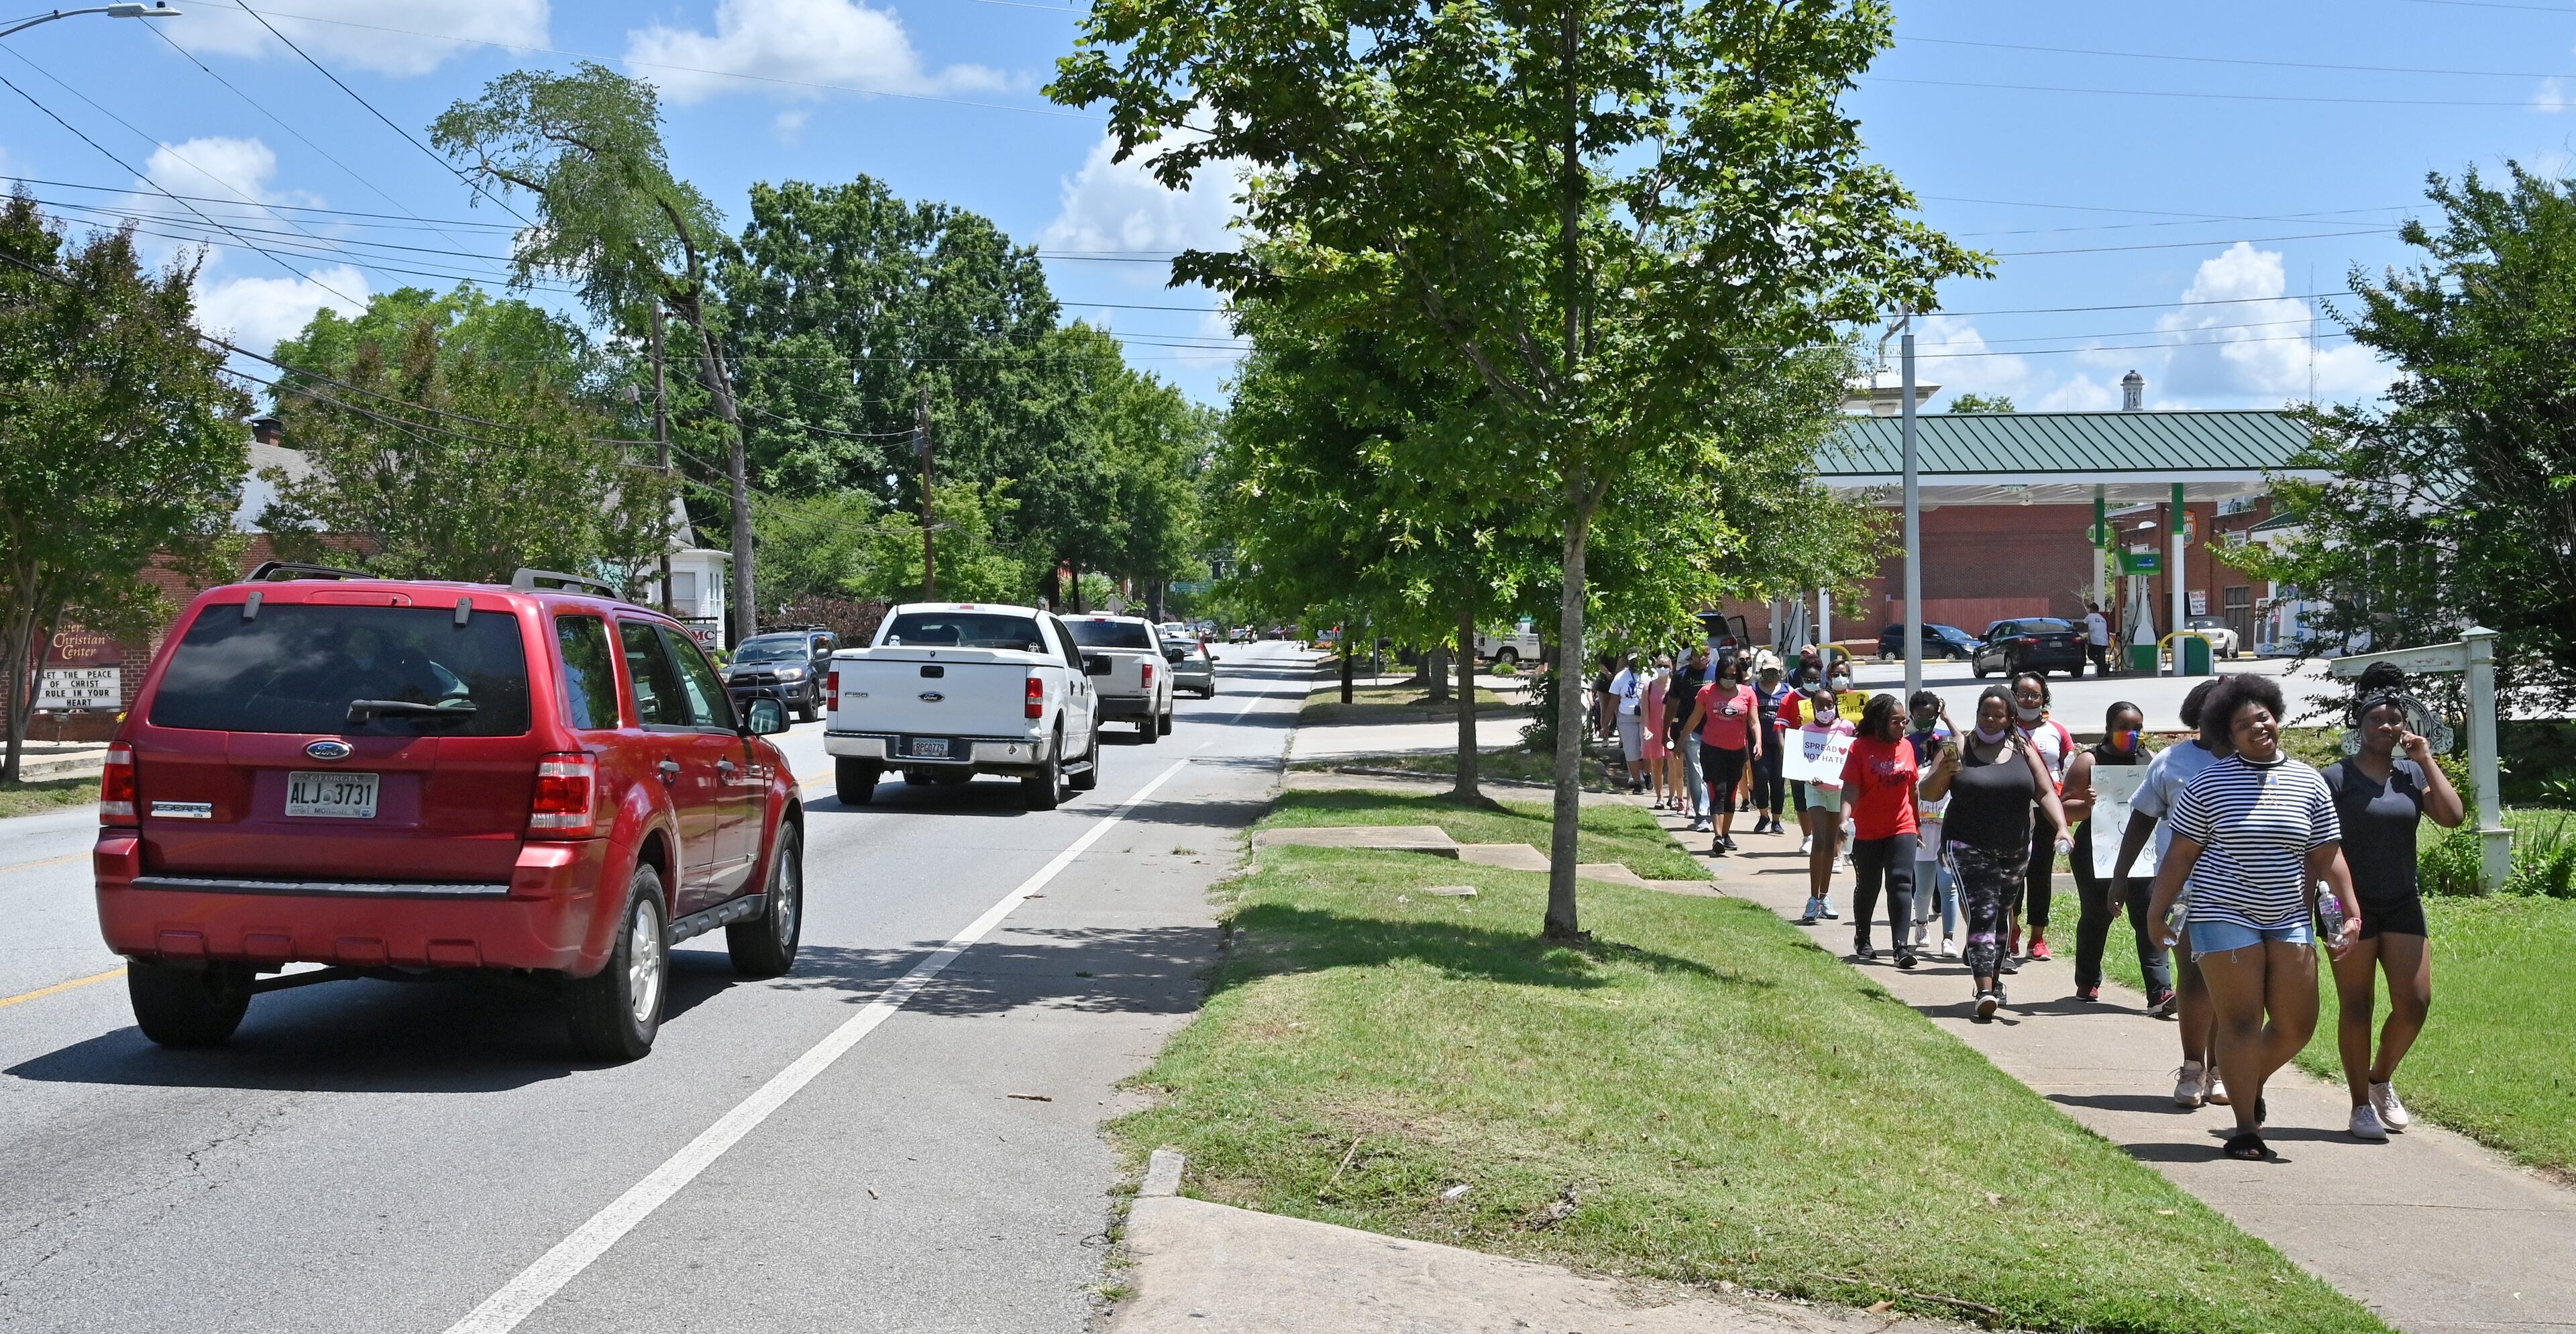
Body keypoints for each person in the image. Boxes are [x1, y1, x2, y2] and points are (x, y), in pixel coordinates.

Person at [2145, 674, 2360, 1162]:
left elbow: (2327, 852)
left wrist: (2351, 908)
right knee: (2241, 1022)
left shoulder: (2308, 780)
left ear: (2275, 716)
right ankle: (2246, 1127)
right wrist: (2158, 913)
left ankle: (2249, 1079)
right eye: (2243, 725)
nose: (2257, 728)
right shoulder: (2208, 784)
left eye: (2262, 717)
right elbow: (2179, 857)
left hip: (2288, 916)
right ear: (2229, 734)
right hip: (2222, 913)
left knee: (2297, 1025)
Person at [2321, 662, 2465, 1141]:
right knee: (2356, 1005)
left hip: (2402, 901)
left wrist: (2425, 760)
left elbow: (2452, 816)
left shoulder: (2410, 774)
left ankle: (2380, 1078)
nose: (2387, 727)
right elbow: (2319, 846)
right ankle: (2359, 1105)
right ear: (2359, 726)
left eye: (2395, 720)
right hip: (2350, 907)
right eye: (2376, 720)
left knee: (2415, 1002)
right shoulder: (2336, 778)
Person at [1918, 685, 2067, 1020]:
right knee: (1984, 910)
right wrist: (1942, 773)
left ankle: (1995, 981)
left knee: (2002, 914)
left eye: (1997, 715)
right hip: (1966, 843)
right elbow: (1926, 792)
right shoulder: (1958, 748)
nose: (1989, 720)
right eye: (1985, 713)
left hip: (2015, 846)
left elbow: (2044, 791)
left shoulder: (2022, 747)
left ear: (2010, 719)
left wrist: (2061, 826)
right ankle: (1984, 988)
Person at [2113, 678, 2226, 1104]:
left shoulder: (2252, 760)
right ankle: (2193, 1068)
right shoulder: (2170, 761)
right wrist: (2121, 877)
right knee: (2195, 976)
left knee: (2231, 983)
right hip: (2183, 891)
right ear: (2198, 713)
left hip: (2237, 892)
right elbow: (2141, 820)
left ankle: (2221, 1069)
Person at [2064, 701, 2171, 1007]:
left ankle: (2160, 991)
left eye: (2137, 728)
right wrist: (2086, 804)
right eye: (2124, 728)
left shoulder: (2148, 760)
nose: (2131, 734)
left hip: (2141, 852)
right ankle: (2087, 981)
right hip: (2095, 854)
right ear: (2109, 728)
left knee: (2150, 915)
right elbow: (2065, 807)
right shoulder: (2089, 760)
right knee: (2097, 916)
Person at [1841, 694, 1921, 968]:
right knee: (1869, 885)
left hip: (1902, 825)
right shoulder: (1859, 748)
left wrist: (1918, 824)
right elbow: (1850, 788)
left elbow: (1912, 789)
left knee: (1901, 882)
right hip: (1867, 830)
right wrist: (1844, 821)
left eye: (1904, 721)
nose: (1903, 726)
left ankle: (1901, 946)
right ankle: (1862, 937)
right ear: (1879, 722)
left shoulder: (1907, 748)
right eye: (1896, 721)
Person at [2008, 672, 2076, 962]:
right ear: (2013, 697)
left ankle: (2038, 937)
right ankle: (2011, 931)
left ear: (2043, 698)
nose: (2028, 699)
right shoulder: (2004, 729)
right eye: (2022, 694)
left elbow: (2070, 767)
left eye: (2034, 695)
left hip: (2047, 810)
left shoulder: (2057, 731)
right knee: (2013, 873)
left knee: (2040, 872)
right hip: (2014, 809)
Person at [1682, 653, 1763, 856]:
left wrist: (1758, 743)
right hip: (1712, 749)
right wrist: (1680, 741)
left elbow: (1754, 722)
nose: (1730, 679)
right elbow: (1694, 719)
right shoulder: (1707, 692)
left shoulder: (1747, 693)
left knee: (1731, 793)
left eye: (1734, 676)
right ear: (1719, 675)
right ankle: (1717, 836)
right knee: (1718, 790)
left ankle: (1726, 834)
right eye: (1726, 675)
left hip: (1737, 750)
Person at [1792, 681, 1852, 923]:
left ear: (1835, 705)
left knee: (1831, 844)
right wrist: (1809, 774)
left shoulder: (1846, 728)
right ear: (1813, 707)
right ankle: (1812, 897)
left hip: (1838, 791)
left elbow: (1852, 756)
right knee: (1818, 840)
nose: (1825, 709)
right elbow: (1799, 763)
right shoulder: (1806, 730)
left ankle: (1824, 896)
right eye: (1820, 705)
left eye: (1829, 704)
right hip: (1815, 790)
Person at [1905, 690, 1958, 956]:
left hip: (1946, 827)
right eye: (1921, 715)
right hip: (1921, 827)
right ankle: (1922, 923)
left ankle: (1949, 938)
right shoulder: (1907, 744)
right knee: (1924, 887)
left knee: (1948, 886)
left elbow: (1961, 745)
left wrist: (1948, 720)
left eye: (1932, 715)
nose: (1926, 720)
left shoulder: (1947, 742)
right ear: (1912, 715)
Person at [1668, 646, 1712, 832]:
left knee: (1713, 773)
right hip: (1690, 730)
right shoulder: (1681, 675)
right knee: (1697, 771)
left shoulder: (1719, 672)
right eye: (1697, 654)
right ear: (1691, 655)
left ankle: (1715, 811)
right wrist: (1665, 731)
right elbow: (1671, 705)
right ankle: (1703, 815)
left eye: (1706, 654)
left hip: (1716, 730)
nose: (1701, 658)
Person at [1750, 663, 1790, 835]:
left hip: (1782, 743)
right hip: (1761, 742)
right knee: (1761, 777)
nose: (1771, 674)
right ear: (1762, 671)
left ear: (1780, 671)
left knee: (1778, 781)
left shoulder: (1788, 690)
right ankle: (1763, 815)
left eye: (1774, 671)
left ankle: (1776, 820)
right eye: (1768, 671)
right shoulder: (1753, 689)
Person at [1610, 654, 1647, 792]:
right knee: (1631, 752)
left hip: (1647, 717)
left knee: (1647, 751)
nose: (1636, 663)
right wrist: (1606, 723)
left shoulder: (1651, 674)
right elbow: (1613, 700)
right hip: (1626, 717)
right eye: (1633, 661)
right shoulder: (1621, 676)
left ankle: (1647, 773)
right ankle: (1637, 782)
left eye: (1639, 660)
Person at [1642, 656, 1672, 809]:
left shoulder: (1674, 686)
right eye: (1660, 665)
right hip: (1654, 728)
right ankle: (1659, 797)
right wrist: (1646, 728)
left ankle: (1674, 797)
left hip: (1671, 729)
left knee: (1674, 764)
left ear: (1671, 667)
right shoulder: (1649, 687)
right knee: (1657, 763)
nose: (1663, 668)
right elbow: (1645, 712)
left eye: (1666, 665)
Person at [2084, 601, 2114, 678]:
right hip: (2104, 641)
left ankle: (2104, 666)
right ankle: (2102, 672)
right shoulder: (2102, 618)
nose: (2089, 610)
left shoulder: (2090, 616)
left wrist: (2074, 629)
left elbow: (2083, 625)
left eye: (2090, 608)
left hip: (2095, 641)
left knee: (2091, 655)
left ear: (2093, 609)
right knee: (2101, 657)